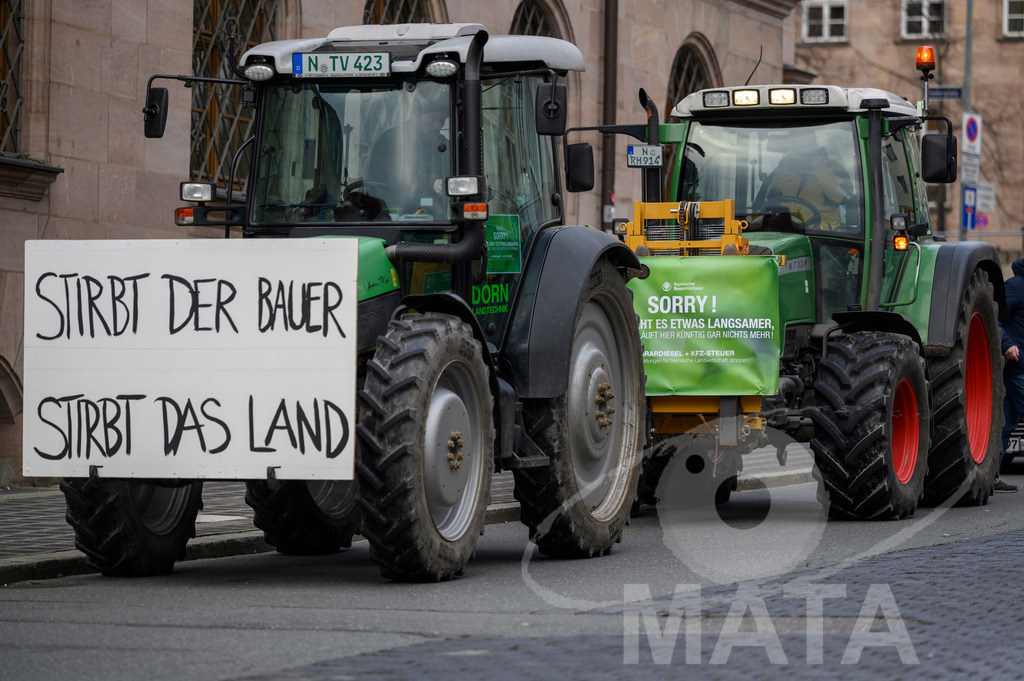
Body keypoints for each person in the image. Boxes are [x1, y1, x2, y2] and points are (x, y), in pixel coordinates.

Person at [365, 86, 450, 217]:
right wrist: (431, 182)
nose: (437, 125)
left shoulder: (443, 144)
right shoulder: (392, 140)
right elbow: (395, 173)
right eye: (433, 118)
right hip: (391, 211)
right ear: (415, 116)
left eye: (442, 120)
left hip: (432, 214)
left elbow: (451, 171)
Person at [761, 147, 852, 230]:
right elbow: (761, 206)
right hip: (786, 233)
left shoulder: (831, 168)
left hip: (824, 235)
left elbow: (845, 197)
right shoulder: (779, 173)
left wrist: (818, 169)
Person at [998, 258, 1024, 492]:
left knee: (1006, 424)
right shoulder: (1015, 286)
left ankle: (990, 477)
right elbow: (993, 314)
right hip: (1018, 365)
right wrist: (1007, 344)